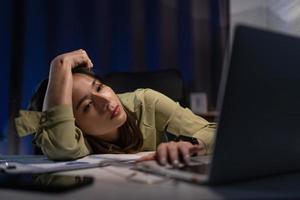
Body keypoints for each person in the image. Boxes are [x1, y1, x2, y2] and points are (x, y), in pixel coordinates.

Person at [15, 49, 216, 166]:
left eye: (100, 87)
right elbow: (60, 145)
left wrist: (190, 143)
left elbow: (213, 131)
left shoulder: (146, 101)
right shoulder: (77, 139)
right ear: (73, 126)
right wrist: (60, 64)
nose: (106, 101)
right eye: (87, 106)